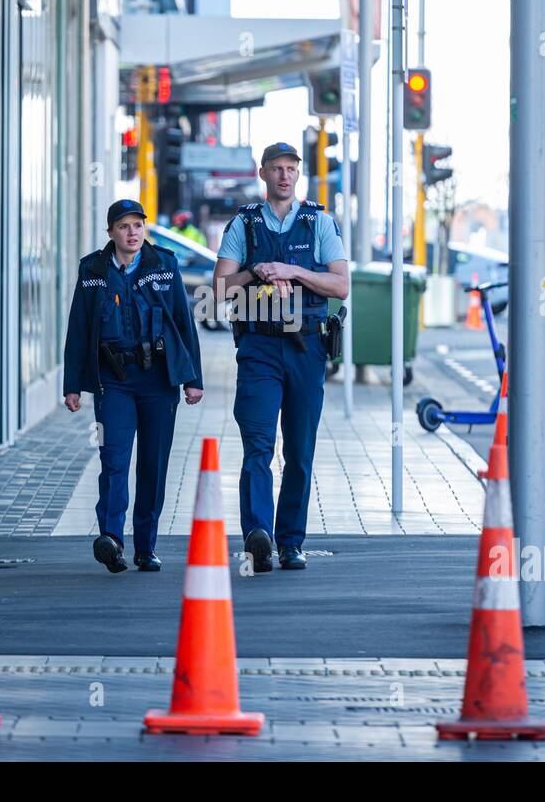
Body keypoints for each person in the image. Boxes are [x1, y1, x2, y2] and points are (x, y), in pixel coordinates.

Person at [212, 142, 349, 572]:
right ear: (263, 173)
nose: (285, 176)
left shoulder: (318, 222)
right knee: (258, 445)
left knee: (300, 450)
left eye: (291, 169)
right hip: (259, 348)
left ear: (298, 173)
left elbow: (341, 285)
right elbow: (218, 290)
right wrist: (255, 271)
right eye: (277, 169)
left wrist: (292, 271)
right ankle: (259, 537)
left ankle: (291, 542)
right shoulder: (245, 224)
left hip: (307, 348)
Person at [63, 199, 204, 574]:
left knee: (153, 466)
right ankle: (111, 539)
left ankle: (146, 546)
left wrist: (193, 379)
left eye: (138, 225)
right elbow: (79, 328)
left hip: (158, 382)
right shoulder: (92, 270)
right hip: (114, 383)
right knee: (113, 460)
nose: (132, 233)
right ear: (111, 232)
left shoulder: (164, 265)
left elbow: (182, 324)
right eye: (124, 226)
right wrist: (73, 385)